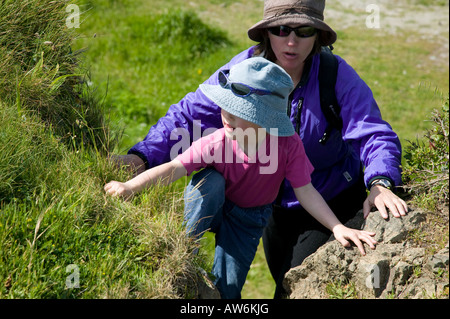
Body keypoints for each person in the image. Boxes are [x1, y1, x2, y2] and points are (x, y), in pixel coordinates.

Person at [113, 0, 408, 298]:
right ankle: (182, 259)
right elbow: (188, 117)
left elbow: (374, 132)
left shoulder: (336, 76)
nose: (291, 41)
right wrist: (142, 157)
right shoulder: (242, 73)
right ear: (266, 32)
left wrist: (380, 182)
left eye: (304, 30)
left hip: (327, 199)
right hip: (269, 208)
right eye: (281, 29)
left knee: (290, 289)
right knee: (272, 280)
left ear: (318, 35)